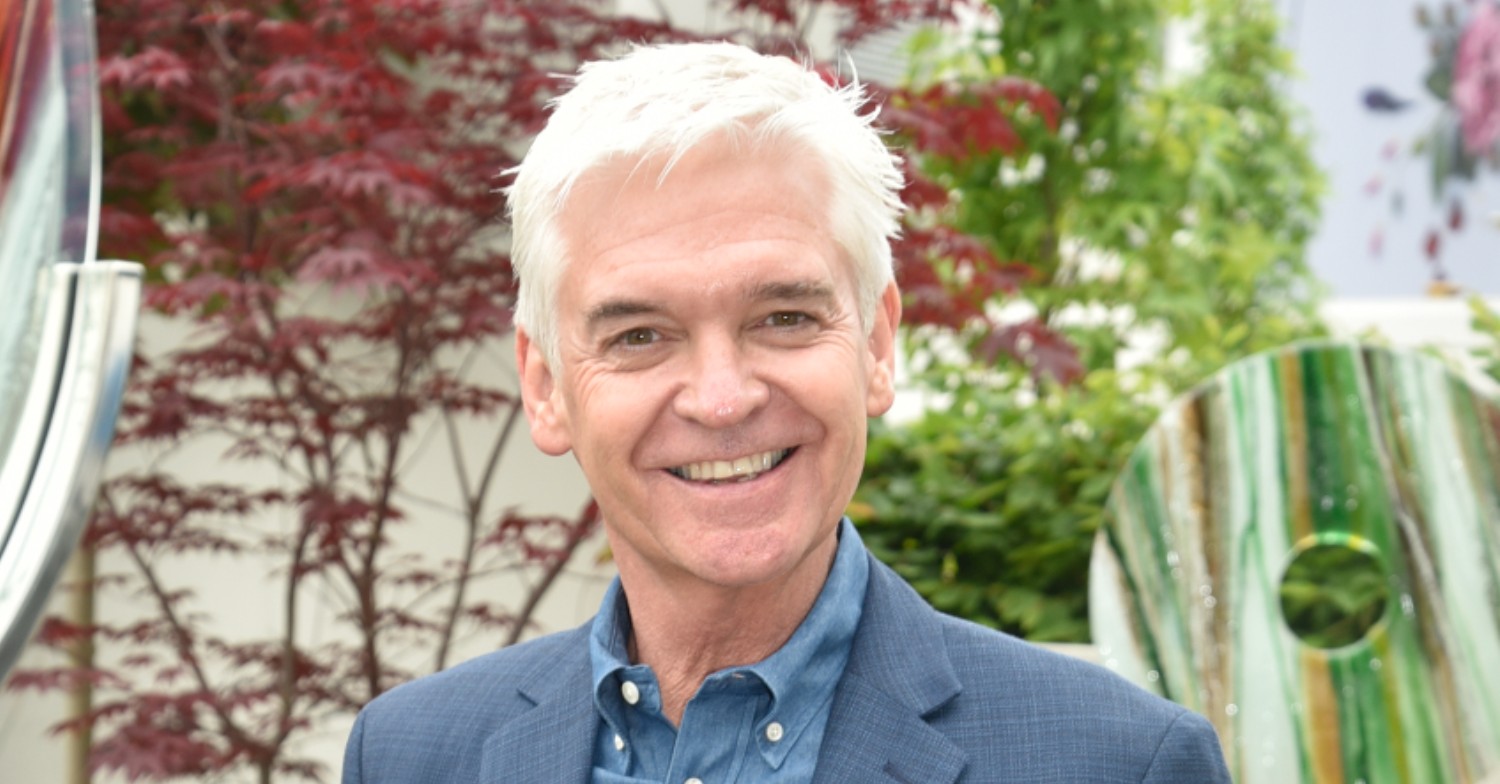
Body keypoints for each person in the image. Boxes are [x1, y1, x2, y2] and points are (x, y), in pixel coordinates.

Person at [342, 41, 1231, 784]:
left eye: (784, 319)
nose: (723, 398)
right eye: (642, 335)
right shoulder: (413, 756)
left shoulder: (1118, 763)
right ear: (545, 388)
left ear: (878, 347)